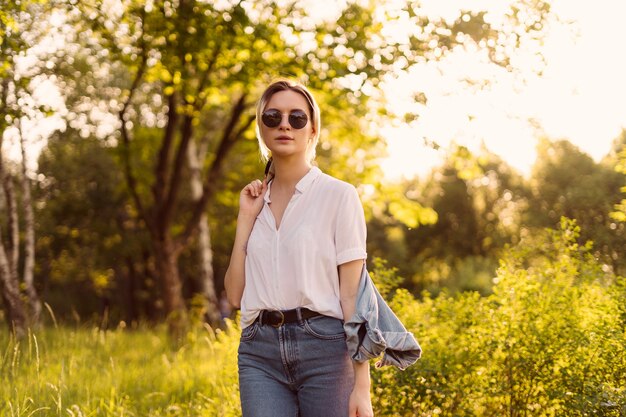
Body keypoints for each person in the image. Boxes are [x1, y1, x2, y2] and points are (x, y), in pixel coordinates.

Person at [224, 79, 374, 417]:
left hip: (324, 348)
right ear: (261, 127)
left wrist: (362, 386)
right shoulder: (253, 202)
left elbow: (353, 297)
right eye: (273, 117)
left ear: (313, 128)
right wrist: (244, 220)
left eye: (297, 117)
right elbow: (235, 296)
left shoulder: (339, 196)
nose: (285, 125)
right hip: (258, 352)